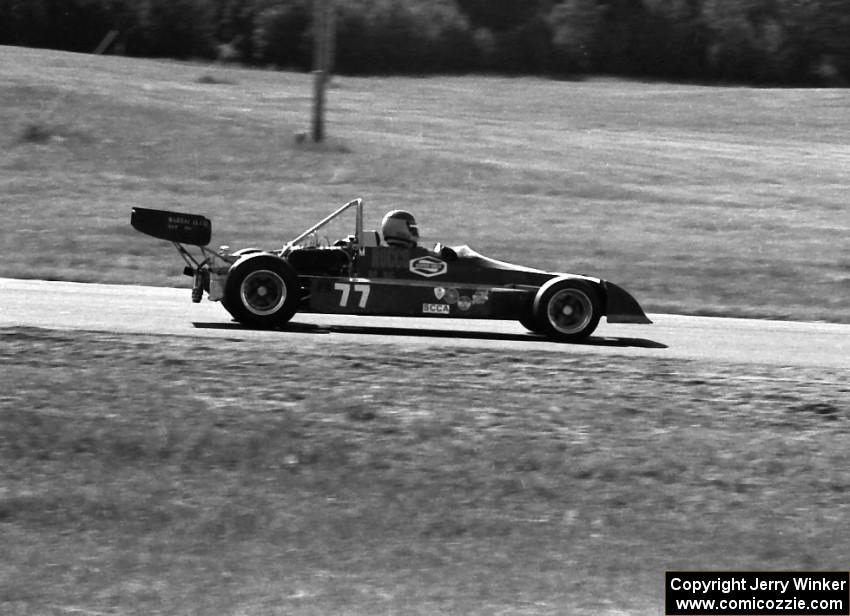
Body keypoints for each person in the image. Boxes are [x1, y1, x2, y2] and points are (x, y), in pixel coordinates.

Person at [380, 209, 457, 260]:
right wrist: (441, 249)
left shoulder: (378, 253)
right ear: (400, 228)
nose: (414, 231)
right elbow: (439, 255)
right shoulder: (418, 254)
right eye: (411, 227)